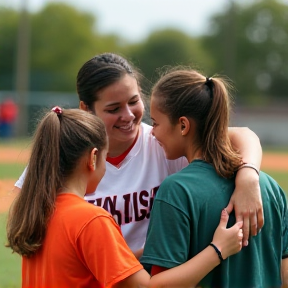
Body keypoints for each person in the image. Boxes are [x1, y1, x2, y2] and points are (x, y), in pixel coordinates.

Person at [14, 53, 263, 258]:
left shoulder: (164, 141)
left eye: (133, 101)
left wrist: (249, 178)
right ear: (86, 108)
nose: (129, 115)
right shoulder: (68, 152)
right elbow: (23, 221)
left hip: (155, 277)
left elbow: (242, 135)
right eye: (113, 109)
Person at [6, 106, 244, 288]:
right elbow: (150, 287)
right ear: (92, 158)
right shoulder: (91, 220)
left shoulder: (41, 211)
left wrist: (154, 247)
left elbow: (98, 264)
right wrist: (217, 249)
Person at [140, 68, 288, 287]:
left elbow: (159, 285)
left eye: (155, 123)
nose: (152, 133)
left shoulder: (176, 191)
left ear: (183, 125)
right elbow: (284, 276)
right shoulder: (270, 187)